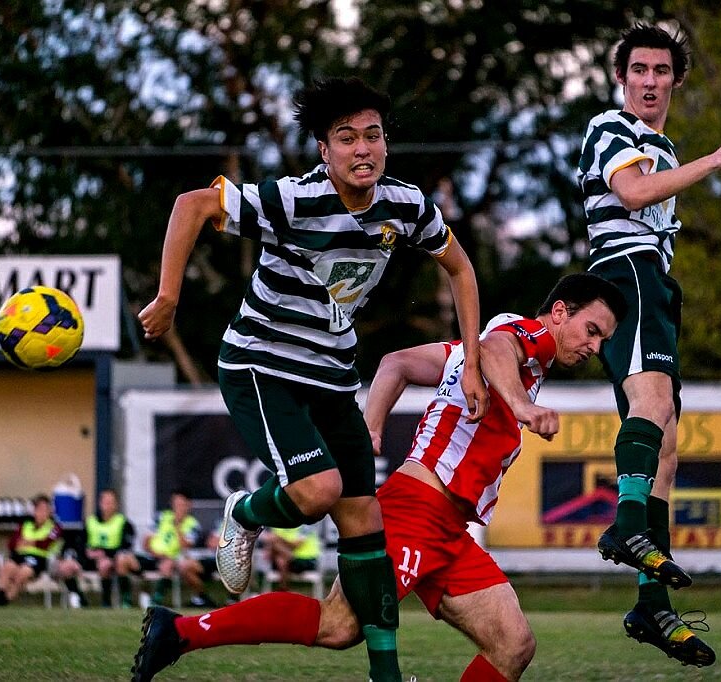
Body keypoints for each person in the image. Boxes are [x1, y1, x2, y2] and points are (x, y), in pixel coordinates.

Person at [136, 76, 487, 682]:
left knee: (365, 524)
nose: (362, 149)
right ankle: (246, 511)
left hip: (331, 376)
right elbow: (192, 204)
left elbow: (459, 267)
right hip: (261, 365)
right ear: (324, 151)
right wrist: (168, 296)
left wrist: (474, 363)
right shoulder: (293, 199)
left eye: (372, 136)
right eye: (345, 138)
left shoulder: (405, 207)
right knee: (319, 491)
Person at [130, 273, 624, 682]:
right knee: (339, 625)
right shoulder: (523, 340)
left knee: (513, 644)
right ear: (559, 312)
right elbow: (498, 346)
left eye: (603, 339)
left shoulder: (488, 357)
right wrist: (522, 407)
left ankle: (181, 629)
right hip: (416, 509)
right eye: (592, 329)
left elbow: (397, 363)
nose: (594, 346)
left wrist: (371, 427)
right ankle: (179, 632)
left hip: (450, 532)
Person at [577, 23, 721, 666]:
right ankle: (628, 530)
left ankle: (651, 605)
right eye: (640, 70)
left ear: (675, 80)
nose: (650, 81)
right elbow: (629, 194)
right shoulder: (612, 128)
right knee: (651, 406)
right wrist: (713, 160)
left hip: (654, 279)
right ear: (622, 77)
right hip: (625, 274)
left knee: (669, 447)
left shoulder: (662, 144)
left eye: (661, 71)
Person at [117, 490, 208, 607]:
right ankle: (126, 601)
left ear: (188, 506)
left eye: (181, 504)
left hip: (171, 559)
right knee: (122, 560)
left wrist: (178, 526)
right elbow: (146, 541)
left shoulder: (192, 524)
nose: (178, 508)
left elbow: (185, 545)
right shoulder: (161, 517)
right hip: (152, 556)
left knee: (167, 565)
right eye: (176, 504)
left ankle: (155, 600)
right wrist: (154, 552)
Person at [56, 488, 137, 608]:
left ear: (116, 505)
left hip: (110, 560)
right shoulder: (90, 522)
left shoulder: (124, 523)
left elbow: (126, 546)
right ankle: (81, 600)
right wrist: (85, 554)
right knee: (65, 567)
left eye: (111, 502)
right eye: (105, 502)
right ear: (100, 503)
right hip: (89, 558)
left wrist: (105, 553)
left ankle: (107, 602)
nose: (107, 506)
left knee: (105, 565)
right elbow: (79, 542)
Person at [0, 494, 71, 606]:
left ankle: (5, 599)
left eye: (44, 510)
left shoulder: (55, 527)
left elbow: (46, 543)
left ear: (50, 511)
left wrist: (31, 542)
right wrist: (20, 544)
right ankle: (0, 593)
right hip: (20, 555)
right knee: (7, 567)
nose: (41, 513)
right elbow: (12, 543)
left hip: (39, 558)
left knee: (23, 573)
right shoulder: (26, 525)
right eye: (38, 509)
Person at [262, 524, 322, 591]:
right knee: (281, 558)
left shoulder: (306, 525)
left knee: (278, 552)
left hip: (305, 560)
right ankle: (284, 588)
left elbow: (296, 545)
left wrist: (278, 539)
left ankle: (283, 589)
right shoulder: (277, 524)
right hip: (288, 561)